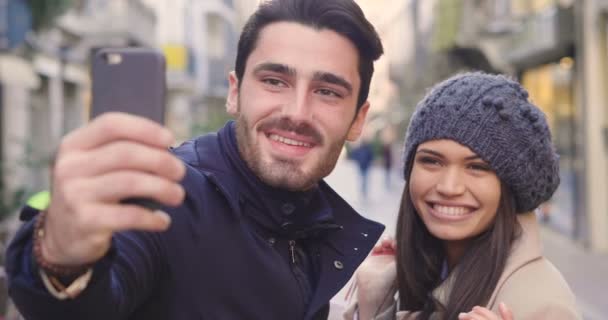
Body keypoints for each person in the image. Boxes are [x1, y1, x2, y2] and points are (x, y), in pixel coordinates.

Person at [5, 0, 386, 319]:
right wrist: (62, 257)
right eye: (274, 81)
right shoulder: (166, 196)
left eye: (327, 91)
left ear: (357, 119)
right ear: (235, 93)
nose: (298, 112)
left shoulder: (328, 230)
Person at [343, 72, 581, 320]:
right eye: (432, 161)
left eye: (476, 167)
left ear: (510, 187)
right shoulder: (421, 274)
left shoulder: (542, 304)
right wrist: (374, 299)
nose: (449, 186)